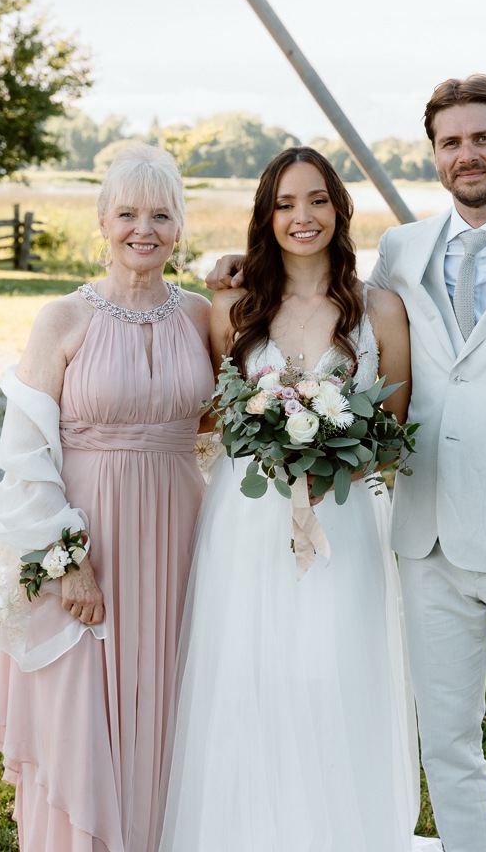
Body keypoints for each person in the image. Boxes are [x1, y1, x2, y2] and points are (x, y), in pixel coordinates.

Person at [205, 77, 486, 852]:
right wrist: (239, 263)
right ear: (433, 155)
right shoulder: (404, 249)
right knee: (446, 743)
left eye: (481, 139)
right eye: (450, 142)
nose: (466, 155)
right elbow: (322, 287)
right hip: (422, 538)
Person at [158, 147, 439, 852]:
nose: (301, 216)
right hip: (247, 517)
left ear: (339, 209)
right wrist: (277, 442)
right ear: (265, 216)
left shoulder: (381, 310)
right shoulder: (234, 307)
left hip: (346, 515)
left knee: (334, 669)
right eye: (283, 204)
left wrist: (328, 449)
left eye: (315, 199)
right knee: (247, 668)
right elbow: (219, 416)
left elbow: (392, 429)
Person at [0, 145, 215, 852]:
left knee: (173, 698)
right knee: (83, 708)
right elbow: (25, 453)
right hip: (86, 540)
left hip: (181, 534)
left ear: (179, 229)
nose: (143, 228)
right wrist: (65, 559)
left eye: (160, 214)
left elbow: (226, 412)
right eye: (126, 213)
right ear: (101, 223)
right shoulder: (61, 319)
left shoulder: (204, 316)